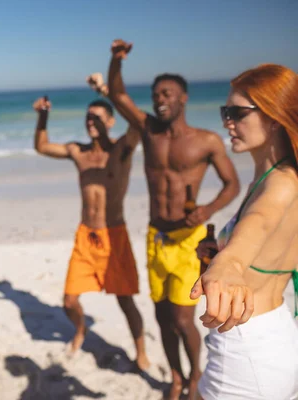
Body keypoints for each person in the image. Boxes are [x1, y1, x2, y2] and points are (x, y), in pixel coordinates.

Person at [107, 39, 240, 399]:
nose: (159, 99)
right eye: (155, 94)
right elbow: (117, 95)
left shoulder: (207, 140)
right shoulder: (149, 131)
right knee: (163, 318)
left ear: (183, 98)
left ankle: (195, 378)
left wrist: (209, 209)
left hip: (189, 241)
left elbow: (232, 184)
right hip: (156, 237)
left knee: (183, 318)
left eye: (167, 93)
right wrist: (116, 59)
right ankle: (177, 377)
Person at [192, 64, 298, 400]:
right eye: (226, 111)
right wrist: (218, 250)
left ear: (275, 117)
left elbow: (260, 223)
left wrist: (229, 262)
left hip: (248, 348)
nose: (227, 122)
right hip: (271, 332)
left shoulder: (281, 185)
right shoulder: (275, 176)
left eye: (238, 113)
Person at [32, 74, 150, 371]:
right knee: (69, 301)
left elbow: (139, 124)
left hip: (115, 236)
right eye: (87, 117)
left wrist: (108, 93)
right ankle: (81, 330)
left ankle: (141, 350)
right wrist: (43, 117)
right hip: (86, 235)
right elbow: (42, 146)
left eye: (97, 117)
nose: (90, 122)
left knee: (126, 301)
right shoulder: (78, 152)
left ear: (110, 121)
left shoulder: (121, 150)